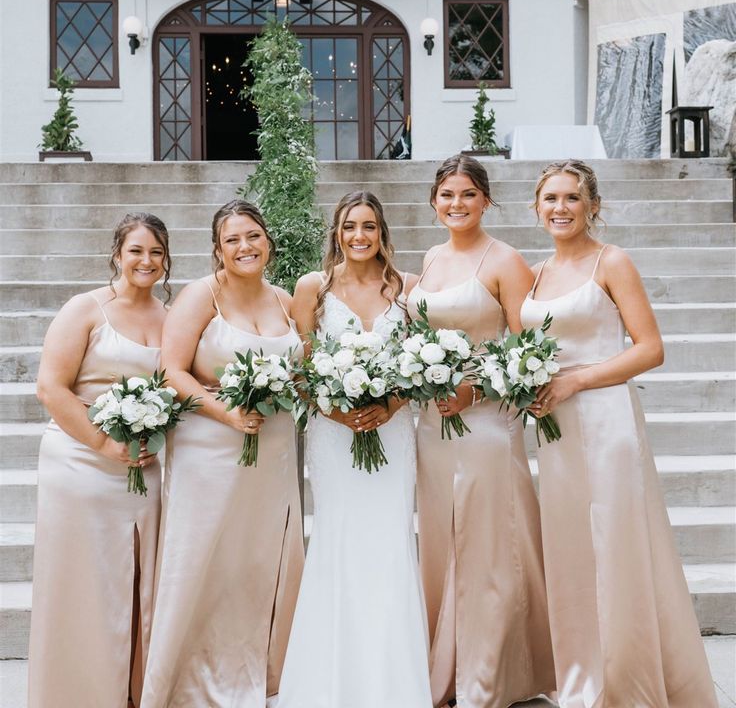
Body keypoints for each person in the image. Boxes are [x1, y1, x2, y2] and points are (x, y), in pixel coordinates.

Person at [521, 159, 717, 707]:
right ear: (536, 209)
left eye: (572, 199)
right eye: (551, 199)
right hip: (556, 428)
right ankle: (584, 673)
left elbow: (650, 348)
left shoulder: (613, 262)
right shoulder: (535, 274)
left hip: (606, 420)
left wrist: (577, 380)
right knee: (570, 550)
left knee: (617, 547)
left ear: (593, 207)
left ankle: (627, 681)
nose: (560, 208)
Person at [140, 200, 304, 707]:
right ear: (217, 250)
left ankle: (260, 672)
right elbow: (172, 372)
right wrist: (226, 414)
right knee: (203, 558)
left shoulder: (284, 301)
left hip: (273, 451)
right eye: (232, 239)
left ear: (268, 242)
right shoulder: (200, 296)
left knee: (258, 560)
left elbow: (302, 368)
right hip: (209, 450)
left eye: (253, 235)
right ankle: (188, 679)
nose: (245, 246)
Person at [407, 155, 555, 708]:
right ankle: (446, 664)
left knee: (491, 544)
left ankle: (487, 676)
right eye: (447, 195)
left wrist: (473, 389)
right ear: (434, 202)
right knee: (444, 542)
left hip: (487, 422)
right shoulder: (430, 258)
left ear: (486, 200)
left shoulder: (506, 261)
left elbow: (527, 351)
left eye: (468, 194)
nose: (457, 204)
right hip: (432, 424)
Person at [277, 191, 432, 707]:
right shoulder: (313, 288)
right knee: (337, 540)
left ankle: (392, 683)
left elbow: (418, 366)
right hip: (332, 433)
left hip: (391, 431)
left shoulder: (407, 289)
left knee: (389, 541)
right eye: (349, 227)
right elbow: (301, 371)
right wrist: (338, 411)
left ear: (382, 232)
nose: (359, 236)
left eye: (368, 226)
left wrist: (390, 405)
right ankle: (329, 681)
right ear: (336, 234)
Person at [29, 213, 170, 708]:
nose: (146, 261)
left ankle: (131, 692)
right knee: (85, 584)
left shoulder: (169, 317)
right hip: (80, 463)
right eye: (136, 251)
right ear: (117, 254)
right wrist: (104, 444)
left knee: (138, 581)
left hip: (143, 466)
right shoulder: (84, 309)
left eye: (155, 252)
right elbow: (51, 387)